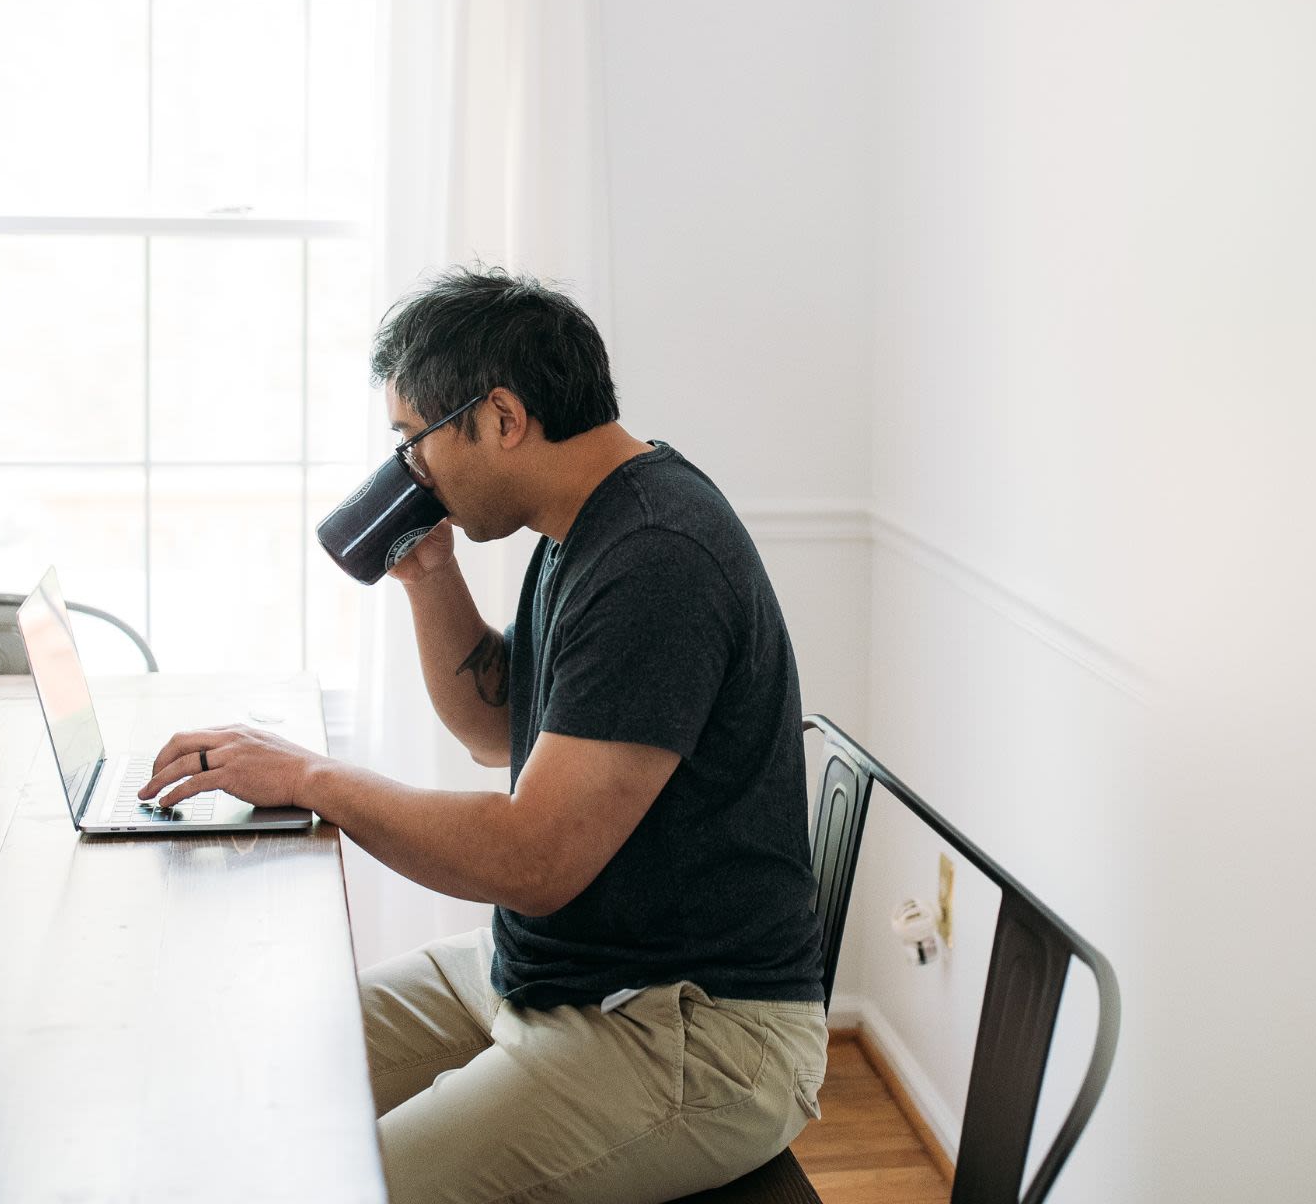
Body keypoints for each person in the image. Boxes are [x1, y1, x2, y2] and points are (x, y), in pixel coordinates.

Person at [139, 265, 827, 1203]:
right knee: (258, 1076)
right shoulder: (582, 522)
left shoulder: (659, 557)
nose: (408, 472)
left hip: (687, 1031)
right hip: (548, 971)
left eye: (412, 441)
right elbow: (492, 724)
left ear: (502, 417)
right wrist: (428, 573)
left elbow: (535, 858)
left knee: (334, 1181)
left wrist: (309, 776)